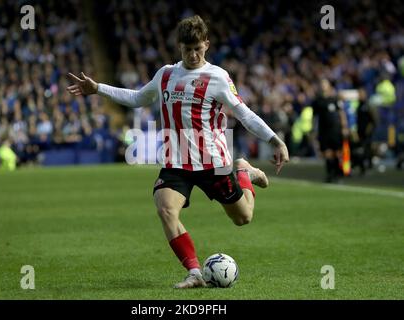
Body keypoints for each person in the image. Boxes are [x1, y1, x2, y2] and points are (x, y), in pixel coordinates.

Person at [67, 15, 289, 288]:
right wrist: (98, 89)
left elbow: (244, 114)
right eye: (187, 50)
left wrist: (275, 140)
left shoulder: (218, 77)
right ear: (179, 47)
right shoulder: (166, 75)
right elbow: (137, 98)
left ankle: (243, 172)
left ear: (206, 45)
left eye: (198, 48)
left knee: (243, 218)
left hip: (213, 162)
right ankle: (195, 272)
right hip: (176, 162)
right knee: (166, 210)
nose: (193, 55)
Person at [311, 79, 349, 183]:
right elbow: (314, 117)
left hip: (336, 130)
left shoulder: (335, 99)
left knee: (337, 153)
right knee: (327, 153)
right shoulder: (317, 101)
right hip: (324, 131)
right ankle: (330, 174)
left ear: (329, 86)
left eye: (325, 84)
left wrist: (345, 127)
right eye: (321, 84)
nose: (323, 86)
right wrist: (313, 131)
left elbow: (341, 113)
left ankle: (338, 174)